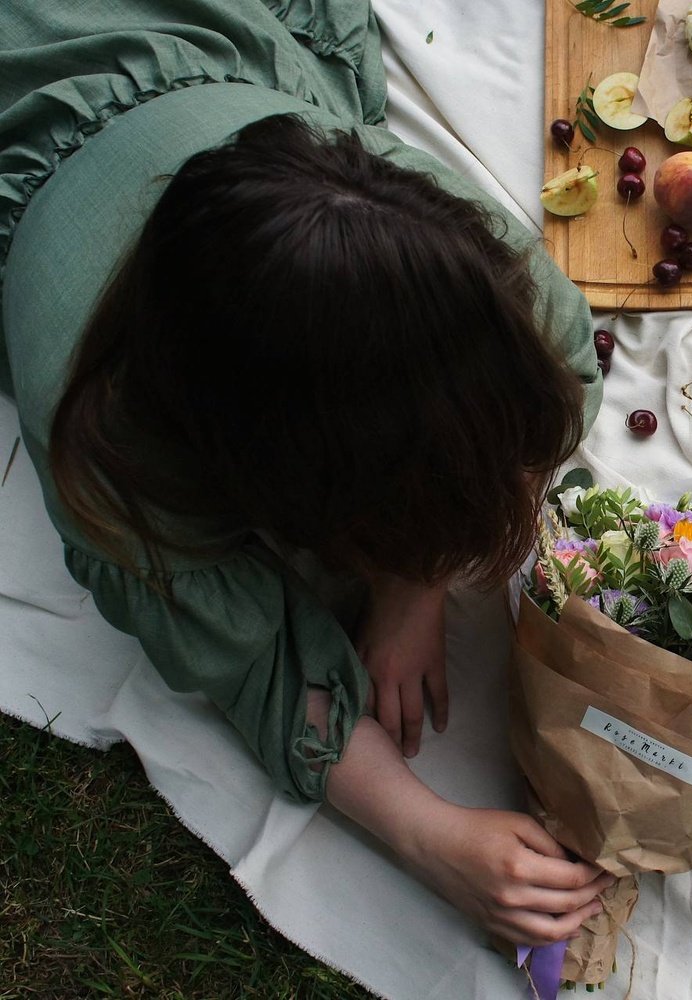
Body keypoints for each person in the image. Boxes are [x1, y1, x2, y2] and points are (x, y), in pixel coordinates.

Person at [0, 0, 611, 949]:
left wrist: (412, 591)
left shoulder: (414, 244)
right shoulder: (118, 456)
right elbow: (258, 663)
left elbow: (555, 359)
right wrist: (429, 836)